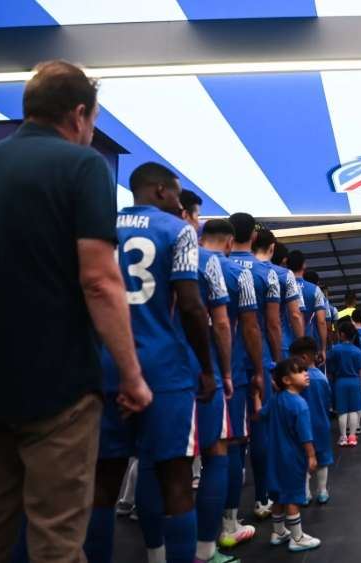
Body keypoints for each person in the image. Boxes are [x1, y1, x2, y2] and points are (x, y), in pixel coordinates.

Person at [0, 59, 151, 563]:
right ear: (79, 114)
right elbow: (100, 279)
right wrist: (130, 376)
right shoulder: (83, 167)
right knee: (56, 538)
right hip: (56, 385)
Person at [86, 162, 216, 563]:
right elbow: (191, 305)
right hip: (163, 368)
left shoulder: (100, 225)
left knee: (103, 480)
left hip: (104, 365)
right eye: (176, 193)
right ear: (160, 190)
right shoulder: (178, 230)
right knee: (175, 478)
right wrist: (206, 367)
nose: (180, 203)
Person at [178, 190, 240, 563]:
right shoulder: (210, 263)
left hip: (146, 366)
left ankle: (158, 554)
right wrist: (225, 371)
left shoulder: (118, 243)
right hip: (204, 369)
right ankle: (209, 544)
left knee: (159, 461)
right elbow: (224, 324)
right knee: (218, 449)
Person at [199, 219, 263, 549]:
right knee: (230, 444)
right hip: (229, 373)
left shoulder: (181, 262)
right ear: (229, 241)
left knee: (167, 460)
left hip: (181, 371)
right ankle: (226, 525)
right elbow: (248, 327)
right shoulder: (241, 274)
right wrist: (257, 370)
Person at [228, 212, 281, 521]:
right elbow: (273, 324)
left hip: (226, 359)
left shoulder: (216, 266)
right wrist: (276, 362)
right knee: (261, 427)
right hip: (258, 357)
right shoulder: (268, 274)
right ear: (254, 237)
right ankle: (262, 498)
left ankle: (229, 514)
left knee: (232, 437)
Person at [266, 359, 322, 552]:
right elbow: (305, 436)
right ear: (286, 380)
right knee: (292, 496)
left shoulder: (276, 399)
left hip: (274, 456)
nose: (306, 374)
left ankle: (278, 532)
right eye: (300, 371)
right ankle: (297, 538)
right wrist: (311, 456)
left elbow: (261, 414)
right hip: (292, 458)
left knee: (278, 495)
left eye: (305, 370)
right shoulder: (300, 404)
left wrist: (256, 396)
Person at [291, 337, 334, 504]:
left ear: (303, 358)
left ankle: (305, 493)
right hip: (322, 424)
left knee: (302, 459)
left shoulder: (298, 379)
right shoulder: (322, 378)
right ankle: (322, 491)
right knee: (323, 459)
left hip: (302, 426)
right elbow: (328, 400)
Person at [253, 228, 304, 360]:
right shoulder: (284, 274)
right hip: (279, 342)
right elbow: (295, 314)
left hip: (243, 343)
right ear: (272, 247)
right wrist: (303, 346)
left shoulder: (241, 268)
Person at [327, 321, 361, 446]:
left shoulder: (335, 349)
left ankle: (343, 437)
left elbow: (330, 368)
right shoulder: (357, 351)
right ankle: (353, 437)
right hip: (355, 382)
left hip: (340, 382)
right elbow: (360, 369)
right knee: (354, 410)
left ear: (342, 334)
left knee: (342, 410)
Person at [288, 250, 328, 363]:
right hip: (307, 344)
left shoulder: (282, 285)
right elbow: (321, 321)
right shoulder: (315, 290)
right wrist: (323, 348)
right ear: (304, 265)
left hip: (285, 342)